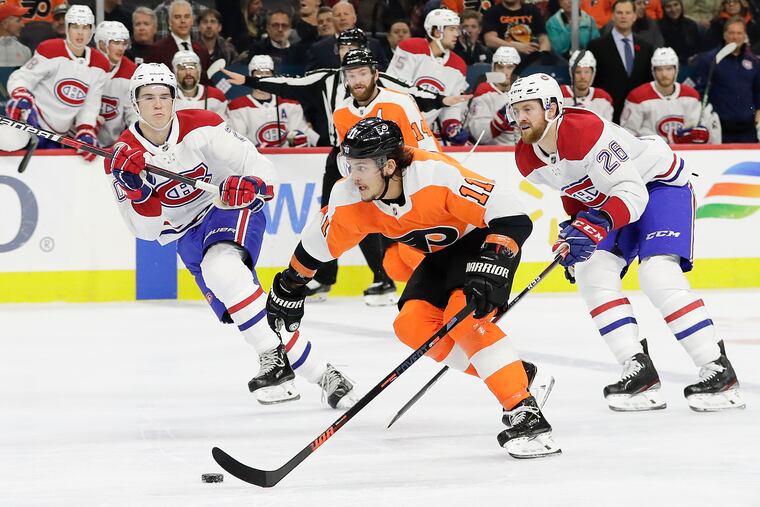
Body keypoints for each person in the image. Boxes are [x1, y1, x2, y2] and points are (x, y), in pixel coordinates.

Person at [265, 117, 561, 458]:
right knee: (411, 326)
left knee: (464, 319)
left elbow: (512, 216)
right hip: (438, 255)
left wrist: (493, 262)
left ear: (389, 166)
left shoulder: (437, 176)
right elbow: (316, 246)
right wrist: (290, 285)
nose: (353, 176)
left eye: (361, 167)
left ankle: (526, 413)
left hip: (481, 242)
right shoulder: (350, 197)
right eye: (349, 165)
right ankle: (517, 374)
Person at [104, 62, 358, 409]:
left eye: (165, 96)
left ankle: (272, 357)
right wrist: (136, 191)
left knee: (221, 269)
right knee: (246, 302)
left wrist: (251, 186)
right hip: (186, 236)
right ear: (135, 103)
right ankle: (325, 375)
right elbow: (145, 230)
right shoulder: (122, 157)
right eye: (148, 97)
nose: (158, 104)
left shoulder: (203, 126)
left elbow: (260, 169)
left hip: (225, 207)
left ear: (175, 98)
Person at [507, 73, 745, 412]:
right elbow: (574, 193)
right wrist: (576, 229)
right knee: (592, 270)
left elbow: (631, 192)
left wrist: (595, 224)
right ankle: (638, 370)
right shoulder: (527, 157)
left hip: (659, 185)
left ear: (551, 107)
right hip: (615, 199)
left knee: (657, 274)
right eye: (515, 110)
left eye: (527, 108)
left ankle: (717, 367)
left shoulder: (583, 131)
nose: (519, 118)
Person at [220, 30, 469, 304]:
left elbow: (423, 139)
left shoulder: (398, 100)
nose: (357, 80)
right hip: (355, 168)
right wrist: (248, 80)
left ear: (374, 73)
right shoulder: (340, 107)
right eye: (352, 75)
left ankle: (417, 282)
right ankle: (325, 276)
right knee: (333, 216)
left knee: (399, 231)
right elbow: (292, 87)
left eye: (363, 73)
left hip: (398, 173)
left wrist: (436, 167)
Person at [4, 5, 106, 159]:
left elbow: (90, 104)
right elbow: (23, 76)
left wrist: (86, 129)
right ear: (67, 28)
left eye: (85, 27)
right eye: (75, 26)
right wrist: (20, 95)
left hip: (59, 136)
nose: (80, 32)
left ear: (92, 30)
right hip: (32, 121)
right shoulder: (51, 49)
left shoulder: (99, 64)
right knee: (8, 140)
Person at [387, 9, 470, 146]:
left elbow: (452, 103)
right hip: (394, 127)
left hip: (423, 134)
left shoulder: (458, 65)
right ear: (437, 32)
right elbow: (395, 89)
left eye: (457, 29)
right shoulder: (410, 48)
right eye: (452, 29)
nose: (457, 34)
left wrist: (451, 124)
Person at [621, 47, 721, 143]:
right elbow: (627, 136)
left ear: (676, 70)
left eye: (669, 69)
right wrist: (669, 140)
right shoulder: (638, 97)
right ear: (653, 71)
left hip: (686, 155)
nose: (664, 74)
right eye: (659, 69)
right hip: (652, 156)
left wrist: (701, 134)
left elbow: (696, 127)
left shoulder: (691, 95)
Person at [228, 55, 319, 148]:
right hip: (254, 160)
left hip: (288, 159)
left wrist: (300, 140)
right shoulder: (237, 106)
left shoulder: (290, 104)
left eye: (267, 73)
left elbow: (302, 133)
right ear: (250, 76)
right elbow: (237, 141)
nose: (262, 78)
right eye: (258, 73)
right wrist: (255, 149)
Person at [587, 0, 655, 122]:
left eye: (628, 12)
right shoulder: (596, 46)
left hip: (637, 117)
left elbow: (648, 82)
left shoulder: (646, 47)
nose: (623, 16)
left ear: (634, 16)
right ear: (612, 16)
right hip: (607, 115)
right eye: (619, 12)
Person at [694, 17, 760, 142]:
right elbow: (700, 91)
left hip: (748, 129)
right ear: (724, 35)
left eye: (739, 33)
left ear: (744, 35)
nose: (735, 37)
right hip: (719, 128)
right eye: (731, 33)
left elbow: (758, 90)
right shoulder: (710, 60)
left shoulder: (754, 61)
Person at [306, 3, 389, 71]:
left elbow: (385, 71)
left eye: (346, 14)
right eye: (338, 15)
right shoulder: (319, 49)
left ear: (354, 18)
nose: (342, 18)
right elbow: (311, 78)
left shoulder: (373, 44)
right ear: (333, 20)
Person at [94, 21, 138, 148]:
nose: (121, 48)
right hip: (79, 141)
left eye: (124, 43)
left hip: (112, 145)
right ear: (102, 44)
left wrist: (135, 138)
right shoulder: (87, 65)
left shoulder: (131, 71)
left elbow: (133, 113)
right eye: (117, 43)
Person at [466, 46, 521, 145]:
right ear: (493, 68)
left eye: (510, 67)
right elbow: (478, 135)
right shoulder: (484, 91)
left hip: (522, 152)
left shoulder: (525, 90)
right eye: (500, 67)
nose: (505, 72)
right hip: (494, 153)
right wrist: (499, 122)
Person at [146, 0, 211, 81]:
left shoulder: (202, 50)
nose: (183, 21)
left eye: (186, 16)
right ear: (169, 22)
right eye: (177, 17)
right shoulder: (157, 50)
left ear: (192, 21)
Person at [482, 0, 552, 60]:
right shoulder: (493, 12)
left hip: (531, 59)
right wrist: (517, 47)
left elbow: (543, 37)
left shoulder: (532, 10)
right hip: (505, 60)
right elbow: (490, 40)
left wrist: (542, 54)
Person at [171, 50, 228, 119]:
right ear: (175, 72)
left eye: (192, 67)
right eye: (182, 68)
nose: (188, 72)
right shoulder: (168, 97)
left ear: (199, 70)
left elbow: (224, 127)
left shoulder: (216, 96)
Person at [561, 50, 615, 121]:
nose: (583, 76)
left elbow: (607, 129)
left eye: (587, 72)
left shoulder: (603, 98)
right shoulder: (560, 94)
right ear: (571, 73)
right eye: (578, 72)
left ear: (593, 73)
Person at [0, 2, 31, 67]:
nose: (23, 25)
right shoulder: (25, 51)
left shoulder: (25, 51)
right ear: (5, 24)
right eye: (18, 21)